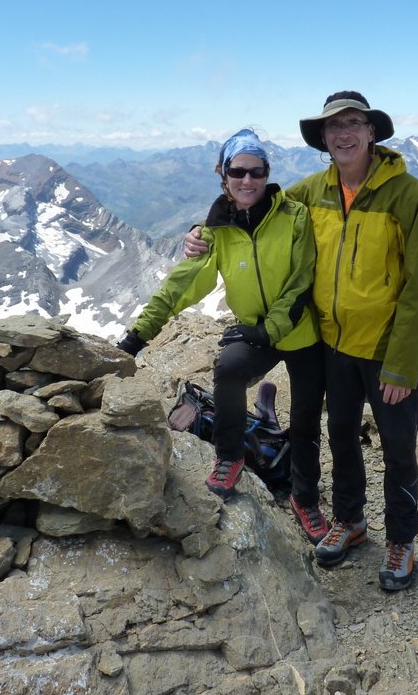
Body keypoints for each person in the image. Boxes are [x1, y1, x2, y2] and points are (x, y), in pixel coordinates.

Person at [185, 93, 418, 590]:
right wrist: (202, 231)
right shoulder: (313, 191)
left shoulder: (409, 196)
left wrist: (402, 366)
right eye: (333, 127)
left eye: (352, 124)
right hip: (334, 345)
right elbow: (254, 202)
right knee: (342, 437)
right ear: (322, 139)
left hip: (386, 349)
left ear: (371, 132)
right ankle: (351, 521)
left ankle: (402, 540)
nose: (342, 134)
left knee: (399, 447)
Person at [116, 129, 331, 544]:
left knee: (305, 420)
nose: (247, 180)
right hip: (256, 330)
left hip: (298, 330)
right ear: (223, 174)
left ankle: (305, 498)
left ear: (267, 174)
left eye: (256, 171)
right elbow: (180, 285)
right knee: (228, 369)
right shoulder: (216, 231)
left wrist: (265, 329)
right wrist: (137, 336)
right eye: (238, 171)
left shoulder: (294, 217)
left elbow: (303, 281)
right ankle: (229, 456)